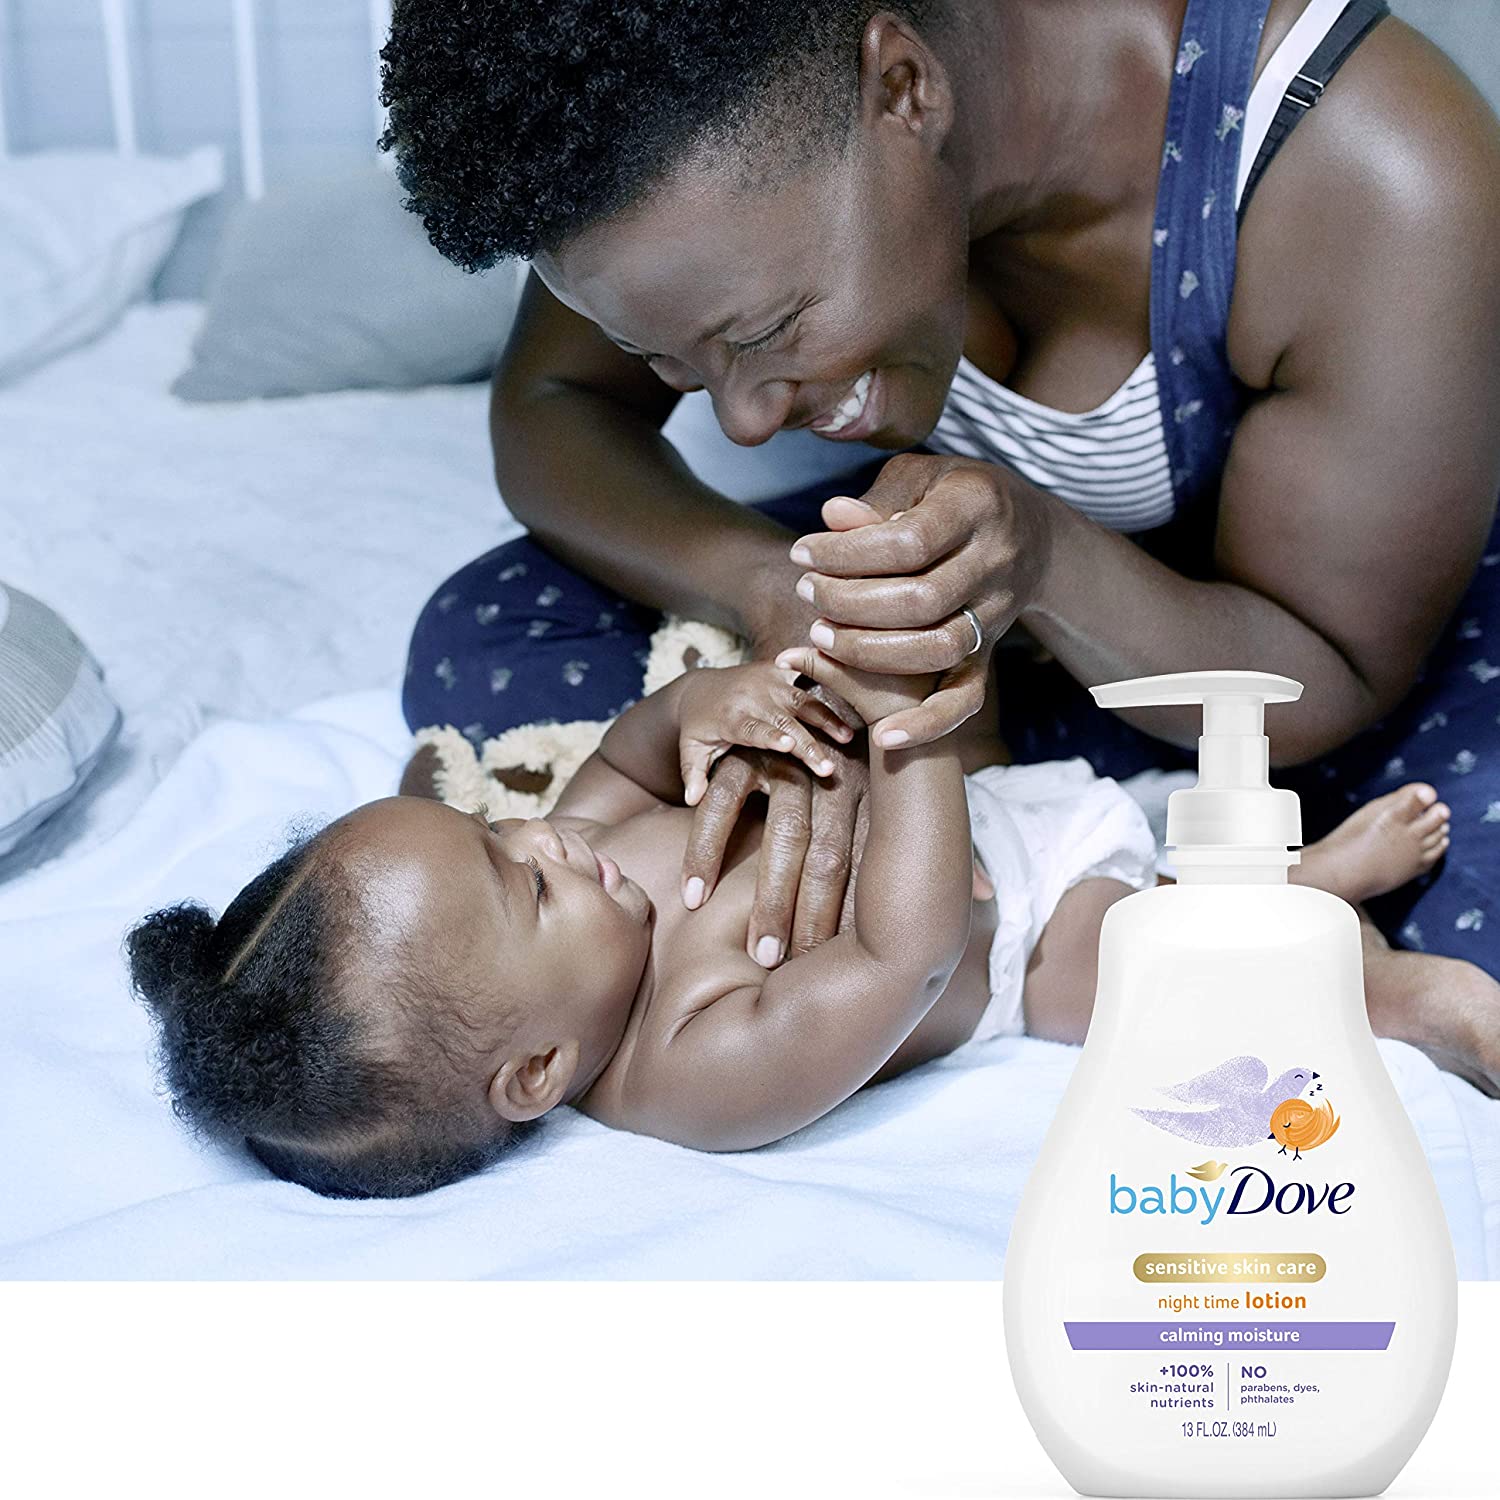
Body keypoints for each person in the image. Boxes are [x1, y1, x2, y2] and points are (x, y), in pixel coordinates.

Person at [382, 0, 1500, 977]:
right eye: (673, 363)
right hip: (1002, 654)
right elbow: (554, 406)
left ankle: (1011, 869)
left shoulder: (1370, 169)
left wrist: (1044, 557)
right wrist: (769, 590)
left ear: (904, 88)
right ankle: (1044, 877)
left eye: (768, 331)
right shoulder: (675, 138)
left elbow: (1326, 674)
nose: (744, 421)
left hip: (1290, 651)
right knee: (489, 632)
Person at [126, 632, 1467, 1199]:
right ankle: (1370, 961)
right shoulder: (687, 1070)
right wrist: (906, 736)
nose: (543, 835)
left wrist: (704, 705)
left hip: (995, 808)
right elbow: (905, 954)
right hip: (1026, 931)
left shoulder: (586, 860)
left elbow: (639, 753)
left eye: (493, 829)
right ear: (534, 1071)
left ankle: (1265, 872)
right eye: (518, 881)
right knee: (1147, 986)